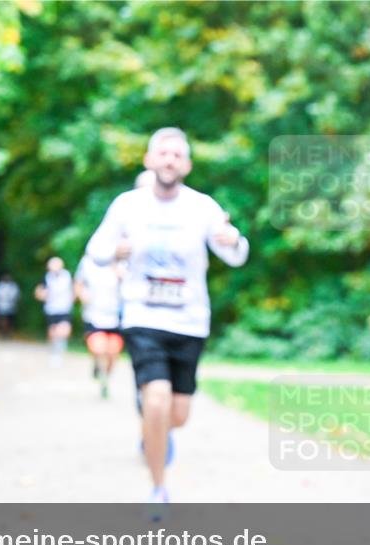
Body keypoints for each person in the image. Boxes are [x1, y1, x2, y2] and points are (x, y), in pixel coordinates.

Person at [86, 127, 250, 518]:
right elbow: (95, 251)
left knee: (178, 414)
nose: (170, 160)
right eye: (163, 153)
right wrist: (113, 252)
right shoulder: (127, 205)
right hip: (143, 316)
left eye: (177, 155)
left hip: (190, 321)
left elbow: (237, 256)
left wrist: (233, 241)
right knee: (155, 399)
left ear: (187, 165)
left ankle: (155, 435)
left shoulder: (203, 207)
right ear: (149, 160)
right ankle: (158, 488)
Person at [74, 255, 124, 399]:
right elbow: (78, 283)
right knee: (99, 347)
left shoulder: (122, 262)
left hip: (116, 316)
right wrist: (82, 295)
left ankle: (105, 375)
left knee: (112, 353)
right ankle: (101, 372)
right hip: (94, 315)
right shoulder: (88, 261)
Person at [35, 257, 75, 366]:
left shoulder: (67, 276)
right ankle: (54, 352)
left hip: (65, 308)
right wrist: (42, 295)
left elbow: (74, 289)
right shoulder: (46, 277)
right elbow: (38, 292)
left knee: (64, 330)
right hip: (51, 309)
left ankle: (60, 348)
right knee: (53, 332)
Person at [0, 273, 20, 338]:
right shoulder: (0, 285)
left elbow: (15, 295)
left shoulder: (13, 286)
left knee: (9, 320)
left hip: (10, 306)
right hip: (1, 306)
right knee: (1, 320)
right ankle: (2, 332)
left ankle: (7, 333)